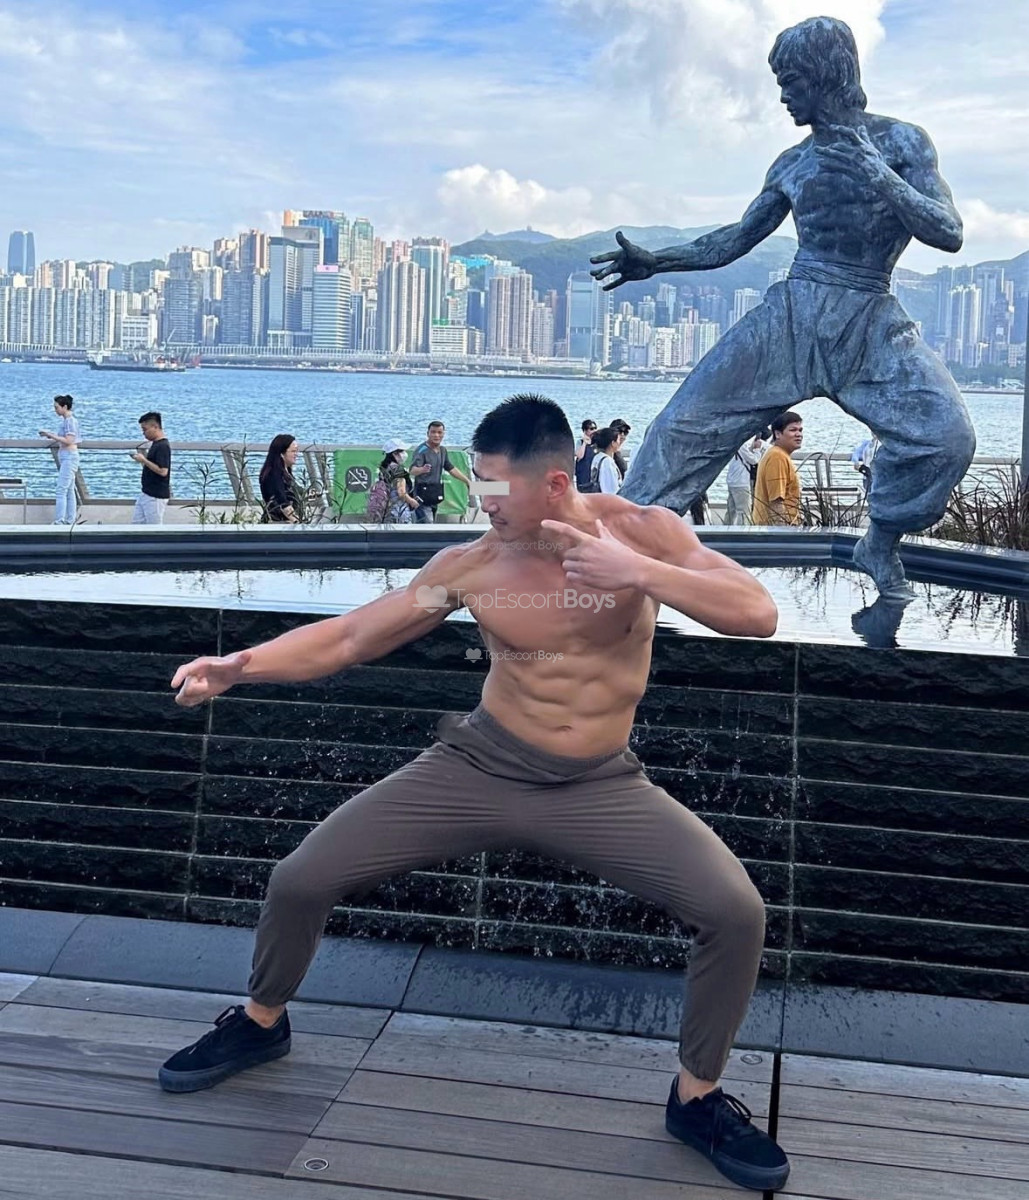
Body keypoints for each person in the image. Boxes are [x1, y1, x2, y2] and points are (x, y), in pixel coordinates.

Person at [159, 393, 789, 1195]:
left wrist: (637, 573)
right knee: (300, 879)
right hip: (479, 766)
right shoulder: (472, 567)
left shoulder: (644, 533)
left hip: (599, 784)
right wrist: (238, 667)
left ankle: (695, 1099)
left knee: (735, 913)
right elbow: (351, 636)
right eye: (475, 481)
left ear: (554, 482)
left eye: (494, 486)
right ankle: (260, 1022)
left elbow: (756, 614)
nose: (478, 500)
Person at [590, 16, 976, 597]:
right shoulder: (792, 163)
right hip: (791, 316)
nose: (783, 96)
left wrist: (876, 172)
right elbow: (733, 239)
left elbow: (948, 231)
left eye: (791, 81)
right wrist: (657, 261)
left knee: (948, 438)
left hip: (869, 318)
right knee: (680, 428)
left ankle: (880, 540)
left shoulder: (903, 143)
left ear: (826, 75)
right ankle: (617, 552)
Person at [409, 420, 473, 523]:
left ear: (443, 434)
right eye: (433, 432)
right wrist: (422, 469)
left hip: (435, 492)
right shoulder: (421, 450)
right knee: (427, 524)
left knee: (432, 521)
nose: (436, 435)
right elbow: (412, 470)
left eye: (439, 432)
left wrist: (467, 481)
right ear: (428, 433)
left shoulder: (442, 450)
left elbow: (450, 468)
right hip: (421, 494)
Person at [752, 412, 803, 526]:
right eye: (793, 430)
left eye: (800, 430)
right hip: (775, 529)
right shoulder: (777, 457)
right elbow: (776, 502)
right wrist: (782, 532)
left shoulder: (780, 455)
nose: (798, 434)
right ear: (778, 434)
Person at [38, 394, 81, 525]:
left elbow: (69, 440)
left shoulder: (70, 421)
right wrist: (52, 435)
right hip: (66, 456)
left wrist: (51, 435)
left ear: (65, 407)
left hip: (69, 457)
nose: (55, 410)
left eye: (57, 407)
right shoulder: (67, 421)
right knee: (69, 490)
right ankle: (70, 519)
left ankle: (60, 520)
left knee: (61, 489)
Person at [131, 411, 171, 525]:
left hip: (156, 495)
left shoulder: (163, 446)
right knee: (136, 524)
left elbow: (163, 471)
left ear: (155, 427)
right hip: (146, 492)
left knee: (154, 527)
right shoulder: (155, 444)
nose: (144, 433)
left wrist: (144, 460)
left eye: (145, 429)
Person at [726, 432, 767, 526]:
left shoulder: (733, 443)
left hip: (732, 481)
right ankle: (742, 531)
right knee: (744, 512)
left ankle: (726, 529)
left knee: (731, 511)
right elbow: (754, 460)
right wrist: (757, 449)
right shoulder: (743, 445)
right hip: (741, 482)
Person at [259, 434, 302, 523]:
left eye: (296, 451)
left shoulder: (286, 472)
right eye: (293, 451)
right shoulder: (274, 475)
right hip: (278, 522)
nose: (296, 454)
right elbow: (282, 502)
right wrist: (297, 522)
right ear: (282, 453)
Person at [376, 438, 420, 523]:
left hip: (386, 508)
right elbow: (401, 492)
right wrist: (412, 501)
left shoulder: (384, 468)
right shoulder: (398, 470)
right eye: (402, 451)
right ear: (395, 453)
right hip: (399, 508)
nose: (404, 454)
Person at [581, 426, 622, 494]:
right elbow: (611, 490)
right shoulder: (607, 462)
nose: (620, 442)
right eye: (618, 440)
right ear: (613, 443)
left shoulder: (597, 457)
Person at [574, 419, 598, 491]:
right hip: (583, 477)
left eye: (595, 428)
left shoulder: (597, 443)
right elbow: (580, 455)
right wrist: (585, 442)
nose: (594, 431)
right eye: (591, 429)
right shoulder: (580, 442)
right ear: (585, 430)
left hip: (594, 478)